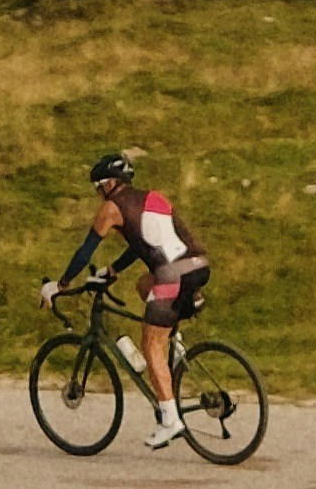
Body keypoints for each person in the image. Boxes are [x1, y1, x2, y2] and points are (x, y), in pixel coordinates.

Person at [58, 148, 212, 440]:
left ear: (109, 184)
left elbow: (84, 251)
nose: (99, 193)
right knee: (143, 285)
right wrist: (113, 271)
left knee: (151, 343)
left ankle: (170, 421)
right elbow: (144, 243)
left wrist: (61, 284)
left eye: (98, 187)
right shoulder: (153, 197)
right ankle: (175, 341)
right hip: (199, 266)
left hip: (172, 276)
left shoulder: (111, 209)